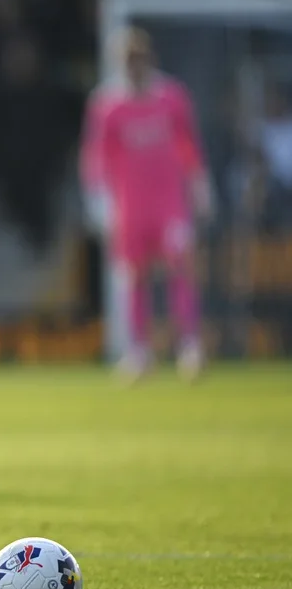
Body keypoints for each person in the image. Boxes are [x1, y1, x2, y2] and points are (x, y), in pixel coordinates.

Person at [80, 27, 214, 382]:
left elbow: (188, 144)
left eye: (137, 60)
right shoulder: (107, 104)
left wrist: (200, 185)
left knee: (180, 268)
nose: (133, 67)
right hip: (130, 205)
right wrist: (98, 203)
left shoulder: (171, 96)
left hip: (169, 202)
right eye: (126, 61)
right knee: (133, 276)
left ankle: (189, 346)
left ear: (149, 59)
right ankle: (138, 351)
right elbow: (97, 158)